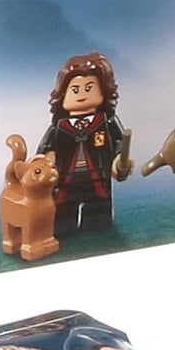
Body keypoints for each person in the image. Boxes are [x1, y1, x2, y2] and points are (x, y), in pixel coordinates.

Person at [38, 53, 132, 238]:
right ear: (63, 94)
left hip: (98, 179)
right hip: (65, 181)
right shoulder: (59, 127)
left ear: (103, 91)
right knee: (63, 221)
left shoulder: (106, 122)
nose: (82, 95)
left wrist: (120, 160)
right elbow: (45, 150)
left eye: (89, 88)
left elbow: (120, 142)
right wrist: (46, 162)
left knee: (99, 223)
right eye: (75, 90)